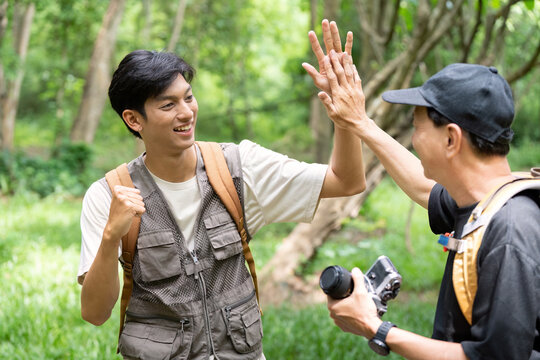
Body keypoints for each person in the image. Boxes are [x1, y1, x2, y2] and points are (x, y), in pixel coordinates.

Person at [77, 20, 366, 360]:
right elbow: (95, 314)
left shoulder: (238, 168)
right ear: (133, 119)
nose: (186, 113)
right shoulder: (108, 195)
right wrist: (112, 237)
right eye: (168, 105)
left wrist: (346, 118)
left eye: (188, 97)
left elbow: (346, 181)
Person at [306, 31, 540, 359]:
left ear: (451, 140)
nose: (413, 139)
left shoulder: (511, 231)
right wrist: (359, 122)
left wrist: (376, 328)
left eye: (417, 129)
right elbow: (423, 186)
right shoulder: (484, 203)